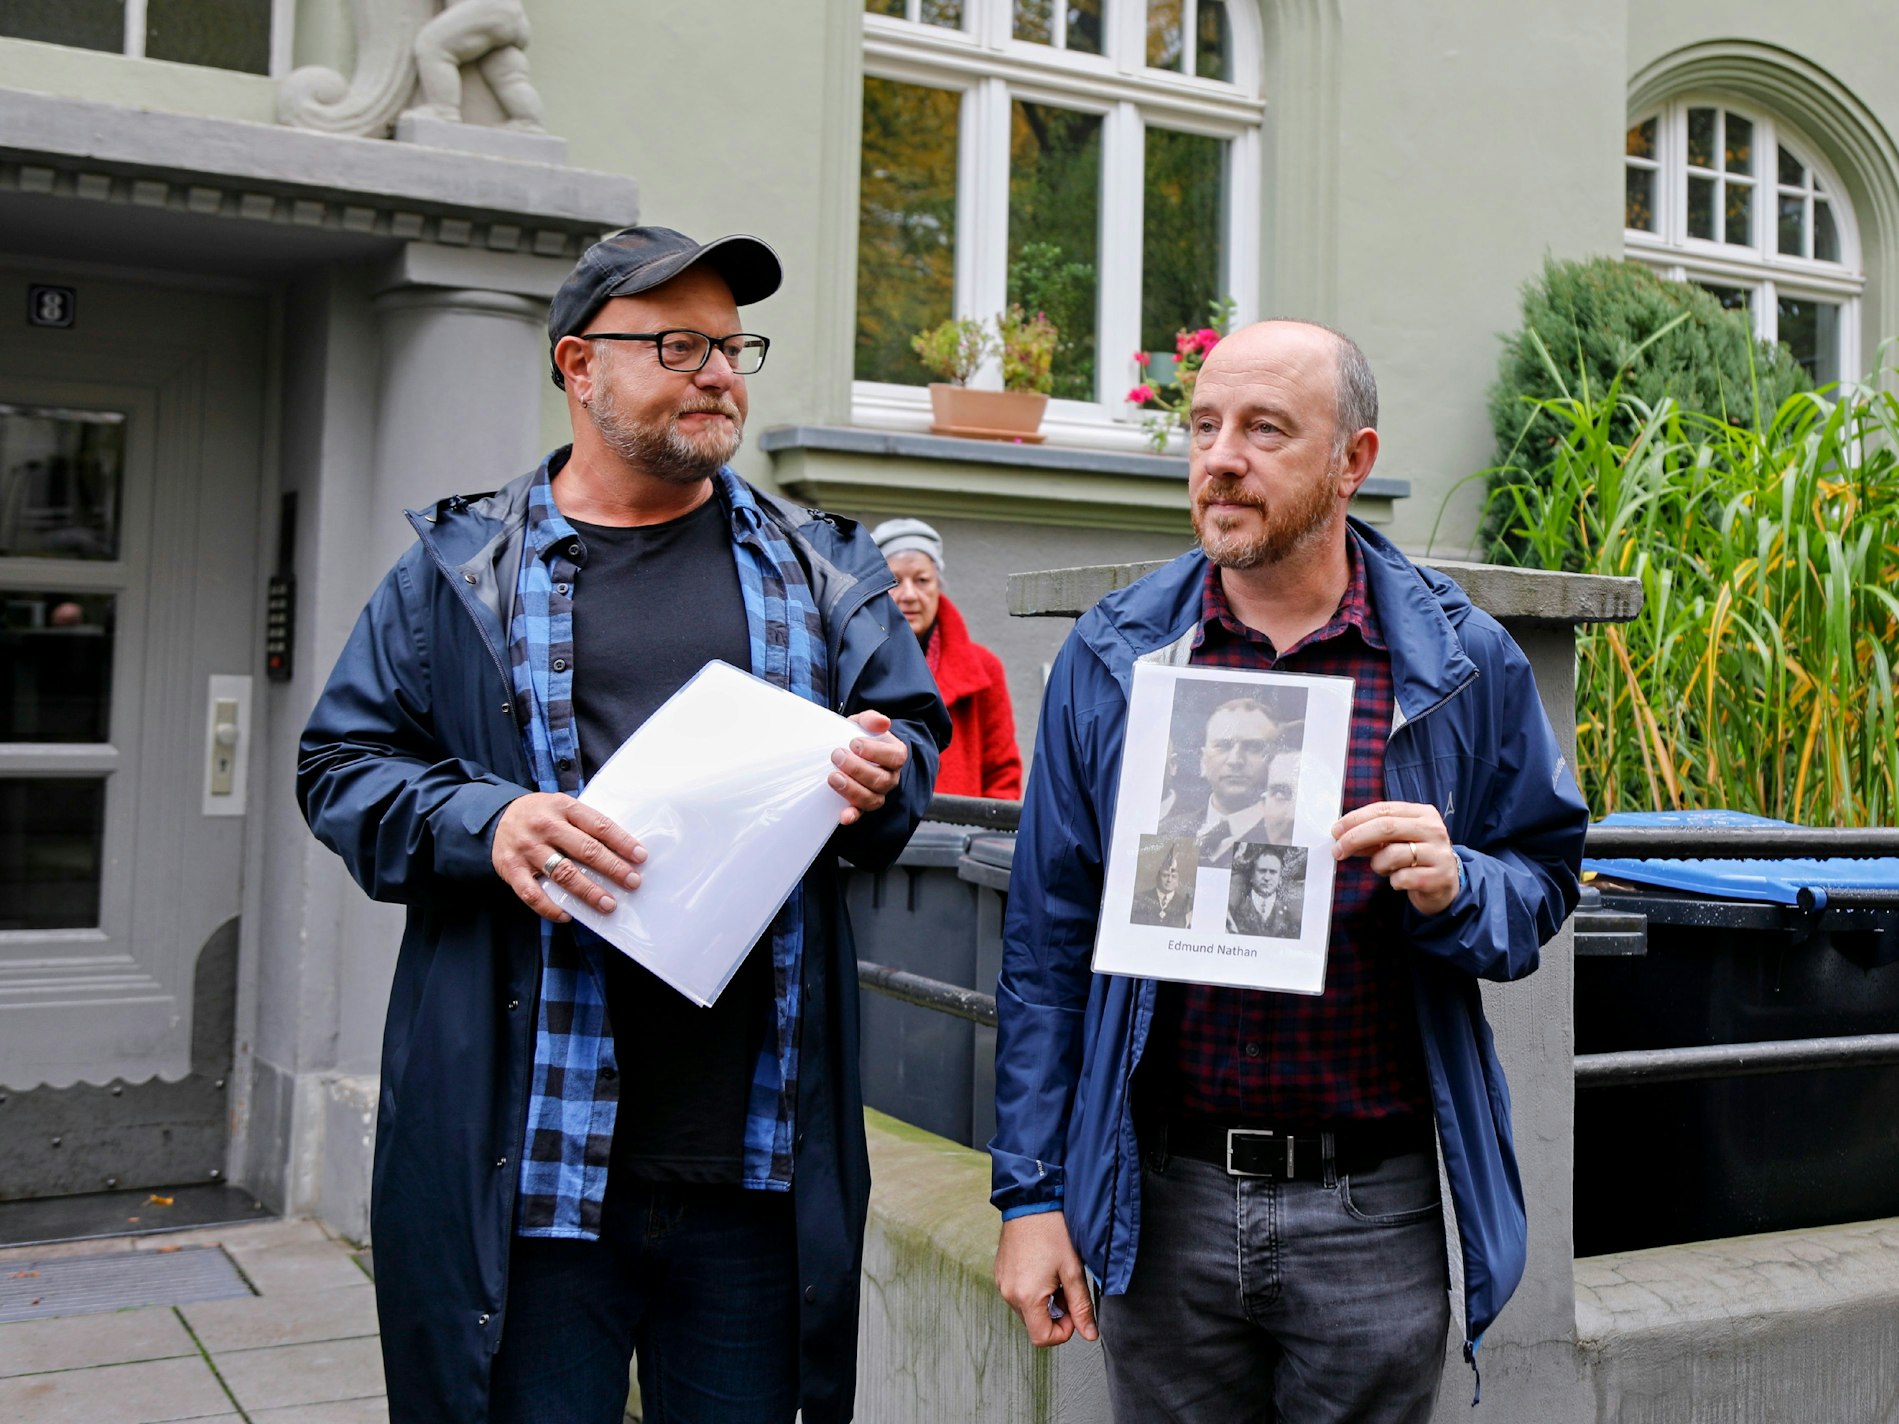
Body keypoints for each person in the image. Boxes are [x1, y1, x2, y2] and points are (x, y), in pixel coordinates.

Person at [298, 225, 949, 1424]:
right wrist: (481, 820)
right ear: (577, 365)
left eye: (732, 344)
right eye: (678, 344)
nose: (720, 372)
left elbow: (907, 752)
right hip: (532, 1172)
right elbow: (340, 765)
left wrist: (882, 772)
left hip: (755, 1176)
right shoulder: (461, 568)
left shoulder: (820, 567)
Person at [989, 319, 1587, 1421]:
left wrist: (1461, 883)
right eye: (1205, 426)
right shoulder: (1117, 654)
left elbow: (1543, 875)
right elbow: (1046, 941)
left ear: (1353, 461)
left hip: (1373, 1206)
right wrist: (1030, 1194)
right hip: (1162, 1199)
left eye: (1266, 429)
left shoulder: (1458, 661)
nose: (1221, 456)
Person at [871, 516, 1022, 799]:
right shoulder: (856, 665)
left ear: (938, 586)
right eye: (894, 581)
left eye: (922, 580)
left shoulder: (985, 670)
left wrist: (987, 840)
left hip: (958, 837)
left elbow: (1002, 775)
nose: (909, 595)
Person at [1159, 696, 1285, 865]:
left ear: (1274, 761)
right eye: (1223, 746)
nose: (1235, 760)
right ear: (1203, 761)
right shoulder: (1165, 832)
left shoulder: (1284, 837)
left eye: (1253, 747)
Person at [1225, 845, 1301, 938]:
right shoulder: (1234, 910)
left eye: (1273, 872)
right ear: (1252, 875)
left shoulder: (1290, 915)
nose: (1267, 878)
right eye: (1262, 871)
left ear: (1280, 878)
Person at [1130, 841, 1193, 928]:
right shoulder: (1140, 899)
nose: (1169, 880)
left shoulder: (1185, 905)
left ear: (1178, 881)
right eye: (1165, 875)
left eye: (1173, 876)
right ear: (1158, 877)